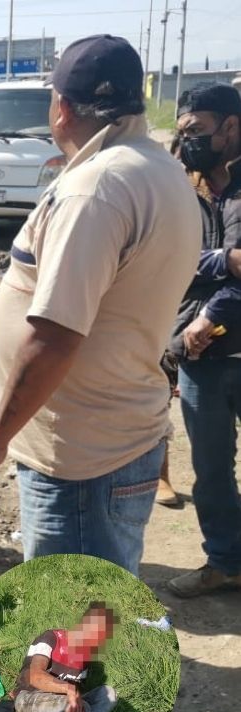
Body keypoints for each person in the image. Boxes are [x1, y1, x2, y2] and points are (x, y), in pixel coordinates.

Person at [0, 36, 202, 712]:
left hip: (81, 453)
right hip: (114, 432)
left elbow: (55, 335)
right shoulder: (156, 171)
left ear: (61, 107)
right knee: (96, 620)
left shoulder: (101, 187)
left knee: (71, 637)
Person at [165, 82, 241, 598]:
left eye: (196, 131)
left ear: (231, 127)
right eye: (182, 132)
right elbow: (166, 260)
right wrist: (224, 261)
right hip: (202, 356)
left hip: (217, 337)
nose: (187, 141)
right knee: (211, 469)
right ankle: (226, 562)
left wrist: (210, 310)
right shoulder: (184, 189)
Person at [11, 603, 119, 712]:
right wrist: (69, 690)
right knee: (80, 705)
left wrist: (75, 700)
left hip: (56, 707)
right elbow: (35, 676)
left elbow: (75, 703)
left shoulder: (84, 660)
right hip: (28, 701)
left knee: (108, 693)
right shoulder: (52, 637)